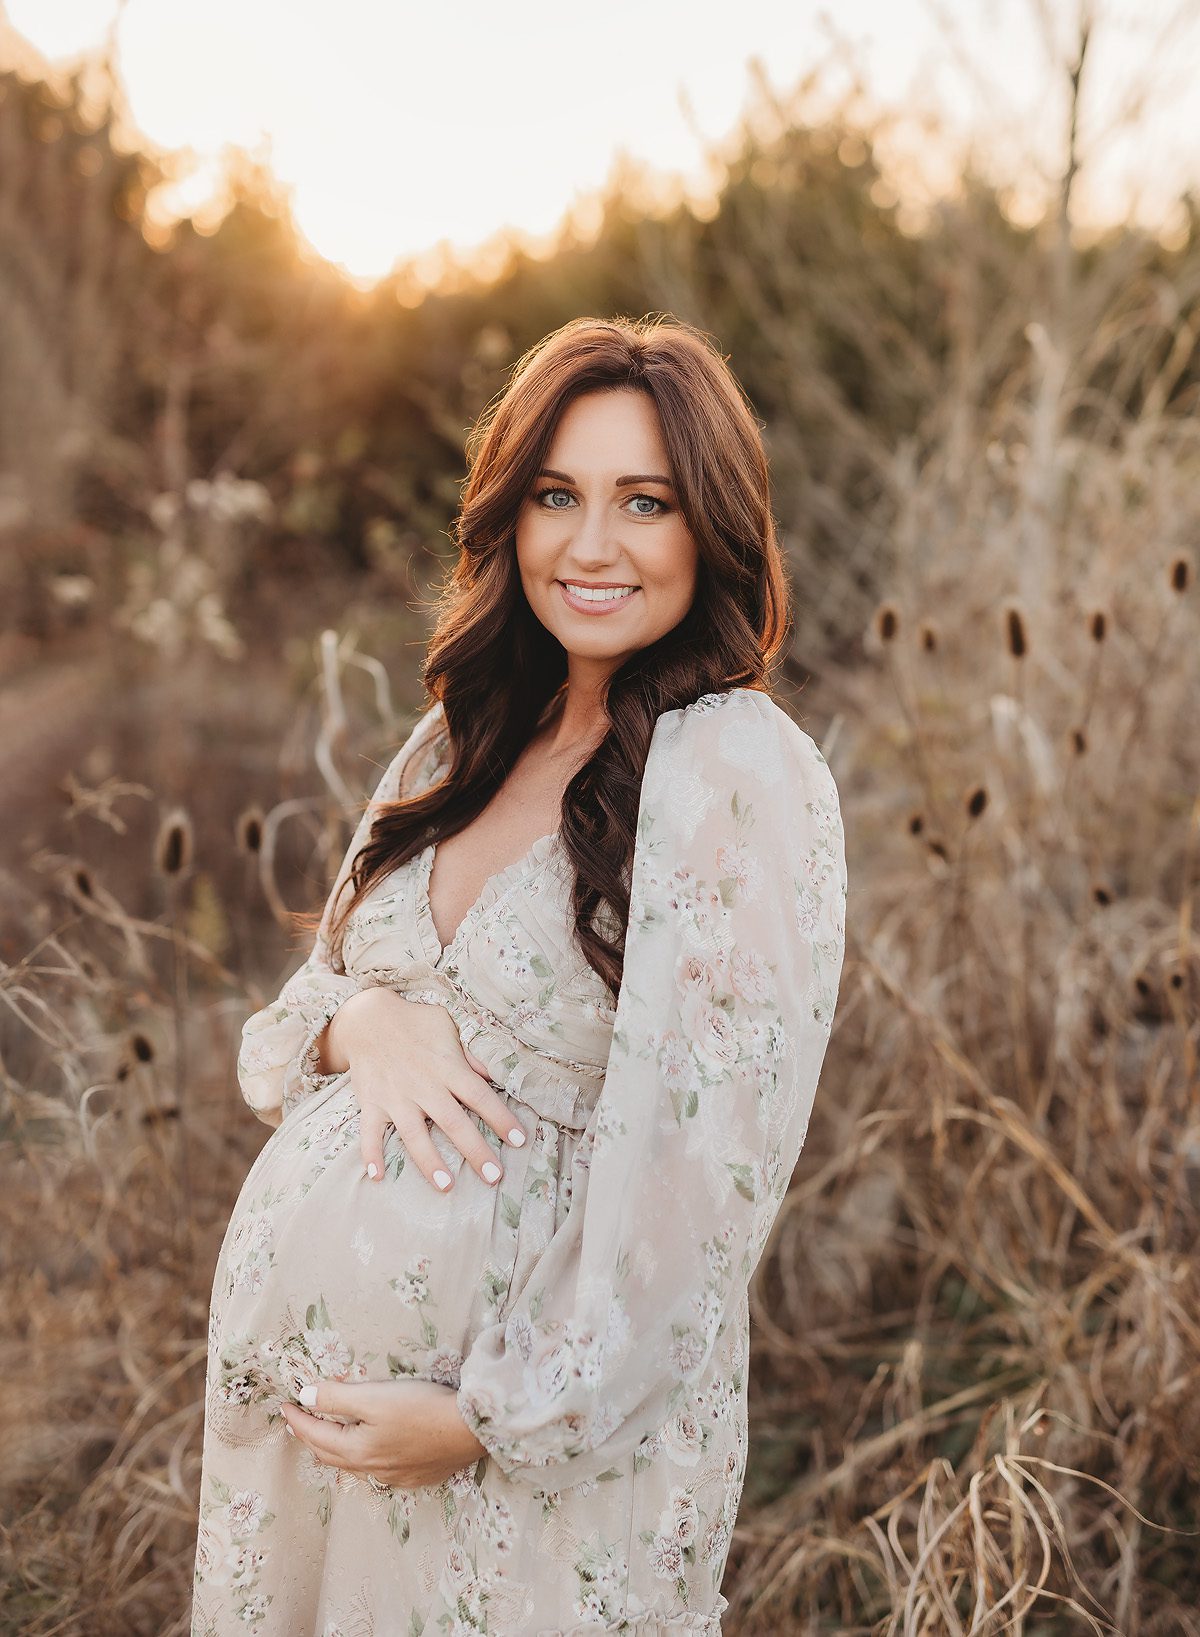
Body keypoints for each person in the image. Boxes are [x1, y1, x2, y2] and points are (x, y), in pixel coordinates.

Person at [192, 314, 848, 1636]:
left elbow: (705, 1179)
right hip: (309, 1459)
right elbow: (282, 1030)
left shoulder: (731, 769)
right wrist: (361, 1021)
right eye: (556, 494)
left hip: (520, 1466)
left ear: (709, 526)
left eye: (643, 502)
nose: (590, 544)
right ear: (510, 514)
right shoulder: (463, 737)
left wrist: (492, 1419)